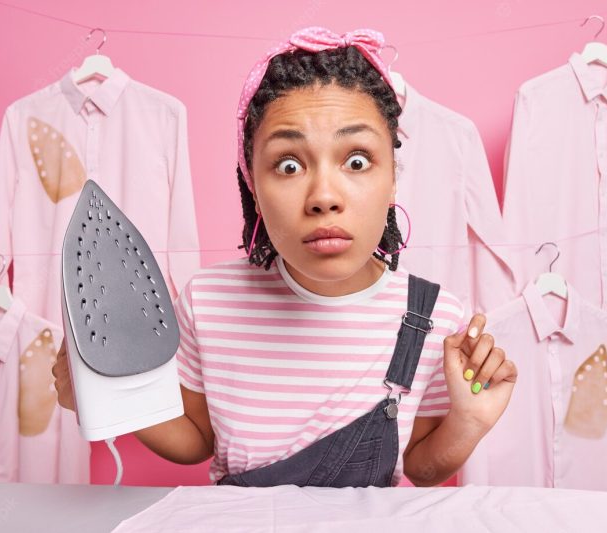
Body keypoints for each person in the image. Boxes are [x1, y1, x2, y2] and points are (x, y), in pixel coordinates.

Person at [52, 27, 517, 487]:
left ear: (392, 177)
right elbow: (196, 440)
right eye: (288, 165)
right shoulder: (209, 301)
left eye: (356, 161)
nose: (323, 197)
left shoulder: (434, 316)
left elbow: (423, 468)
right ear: (252, 183)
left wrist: (469, 420)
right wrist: (102, 397)